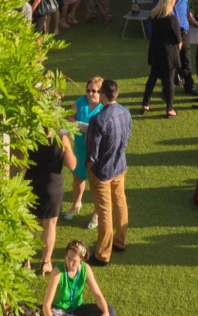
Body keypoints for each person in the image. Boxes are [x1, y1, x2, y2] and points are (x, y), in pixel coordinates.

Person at [83, 78, 132, 265]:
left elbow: (92, 152)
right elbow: (127, 136)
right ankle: (120, 241)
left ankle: (103, 254)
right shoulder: (125, 112)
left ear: (103, 94)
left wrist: (89, 165)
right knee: (120, 202)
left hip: (102, 171)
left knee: (104, 211)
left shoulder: (98, 119)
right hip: (120, 166)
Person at [26, 125, 76, 275]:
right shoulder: (61, 138)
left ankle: (25, 260)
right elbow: (72, 164)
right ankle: (45, 263)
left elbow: (21, 163)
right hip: (52, 186)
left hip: (31, 184)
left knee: (30, 224)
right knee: (50, 224)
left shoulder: (29, 136)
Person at [67, 76, 105, 225]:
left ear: (101, 92)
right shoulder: (79, 103)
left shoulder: (103, 107)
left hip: (96, 152)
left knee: (96, 184)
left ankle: (96, 213)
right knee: (78, 178)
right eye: (88, 90)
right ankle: (76, 203)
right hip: (80, 148)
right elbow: (68, 117)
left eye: (94, 91)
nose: (91, 94)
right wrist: (78, 124)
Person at [140, 0, 183, 117]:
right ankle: (169, 108)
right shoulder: (172, 19)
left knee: (152, 78)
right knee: (169, 81)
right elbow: (178, 38)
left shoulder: (154, 15)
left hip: (155, 50)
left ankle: (145, 103)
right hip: (169, 53)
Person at [43, 241, 113, 316]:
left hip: (77, 308)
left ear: (81, 261)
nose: (70, 263)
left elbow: (98, 295)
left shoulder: (85, 269)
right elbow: (46, 305)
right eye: (68, 258)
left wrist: (105, 312)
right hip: (59, 310)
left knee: (109, 310)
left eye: (74, 261)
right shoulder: (57, 272)